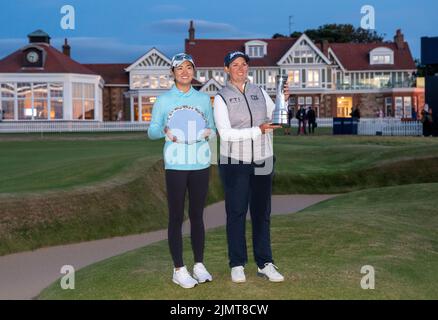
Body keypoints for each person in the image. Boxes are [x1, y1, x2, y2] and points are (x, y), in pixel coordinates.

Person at [214, 51, 288, 283]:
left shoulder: (259, 91)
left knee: (261, 213)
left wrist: (284, 100)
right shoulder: (221, 97)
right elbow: (225, 134)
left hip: (264, 159)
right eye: (235, 65)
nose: (240, 68)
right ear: (227, 69)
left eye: (244, 64)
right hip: (234, 161)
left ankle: (265, 263)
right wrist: (258, 130)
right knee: (236, 213)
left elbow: (276, 117)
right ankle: (237, 264)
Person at [148, 53, 216, 289]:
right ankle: (178, 269)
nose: (184, 72)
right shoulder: (164, 100)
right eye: (179, 69)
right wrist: (164, 131)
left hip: (200, 163)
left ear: (194, 72)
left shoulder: (204, 100)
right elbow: (151, 131)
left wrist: (210, 133)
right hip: (176, 164)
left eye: (189, 67)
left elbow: (214, 129)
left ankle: (198, 264)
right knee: (176, 217)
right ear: (173, 73)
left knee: (197, 216)